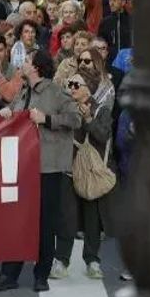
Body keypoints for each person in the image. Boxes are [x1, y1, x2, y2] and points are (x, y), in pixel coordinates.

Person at [0, 50, 80, 293]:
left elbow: (76, 118)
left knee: (45, 222)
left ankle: (41, 274)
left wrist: (47, 119)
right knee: (17, 220)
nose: (23, 64)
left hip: (47, 167)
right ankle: (10, 274)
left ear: (37, 67)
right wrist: (8, 113)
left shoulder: (55, 91)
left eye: (27, 61)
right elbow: (18, 116)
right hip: (23, 166)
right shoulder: (23, 92)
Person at [51, 69, 114, 280]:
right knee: (66, 217)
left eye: (76, 85)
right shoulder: (66, 107)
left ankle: (93, 261)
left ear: (89, 89)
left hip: (91, 171)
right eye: (70, 84)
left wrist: (87, 119)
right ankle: (62, 260)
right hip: (68, 169)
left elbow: (103, 135)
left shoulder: (101, 111)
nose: (71, 88)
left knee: (92, 219)